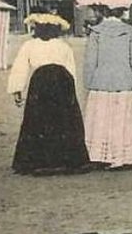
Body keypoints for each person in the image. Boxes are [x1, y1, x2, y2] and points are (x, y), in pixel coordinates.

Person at [7, 12, 105, 175]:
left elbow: (20, 68)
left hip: (41, 82)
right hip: (62, 82)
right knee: (64, 119)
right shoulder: (63, 46)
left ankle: (39, 161)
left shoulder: (30, 46)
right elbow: (71, 69)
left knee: (39, 119)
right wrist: (72, 91)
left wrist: (17, 90)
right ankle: (67, 160)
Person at [83, 0, 132, 169]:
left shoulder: (95, 33)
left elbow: (90, 62)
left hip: (100, 82)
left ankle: (99, 155)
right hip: (124, 81)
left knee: (102, 119)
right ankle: (124, 157)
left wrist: (89, 83)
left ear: (103, 12)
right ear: (122, 12)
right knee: (121, 119)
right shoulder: (131, 32)